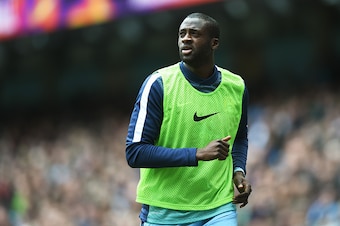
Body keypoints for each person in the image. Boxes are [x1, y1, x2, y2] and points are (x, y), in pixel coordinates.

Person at [126, 12, 252, 226]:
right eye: (182, 34)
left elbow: (239, 137)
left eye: (194, 33)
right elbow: (135, 152)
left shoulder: (236, 86)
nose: (185, 38)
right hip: (164, 212)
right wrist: (197, 154)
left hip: (218, 208)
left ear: (214, 43)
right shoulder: (158, 84)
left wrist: (238, 170)